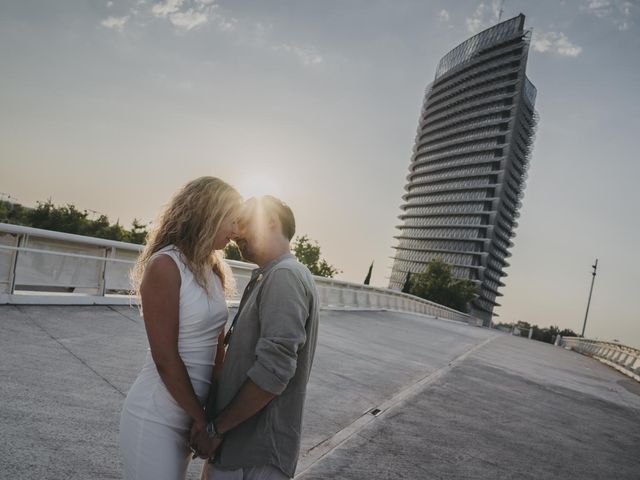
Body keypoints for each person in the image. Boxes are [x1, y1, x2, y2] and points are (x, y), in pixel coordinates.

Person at [119, 176, 242, 480]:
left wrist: (210, 412)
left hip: (192, 415)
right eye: (232, 220)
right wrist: (200, 418)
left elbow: (217, 348)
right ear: (209, 214)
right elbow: (165, 358)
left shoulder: (213, 271)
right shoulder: (165, 265)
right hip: (157, 415)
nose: (236, 232)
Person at [192, 196, 320, 480]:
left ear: (271, 221)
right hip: (241, 450)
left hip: (253, 455)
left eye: (245, 222)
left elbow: (273, 371)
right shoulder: (272, 275)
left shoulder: (285, 276)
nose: (236, 232)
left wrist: (216, 429)